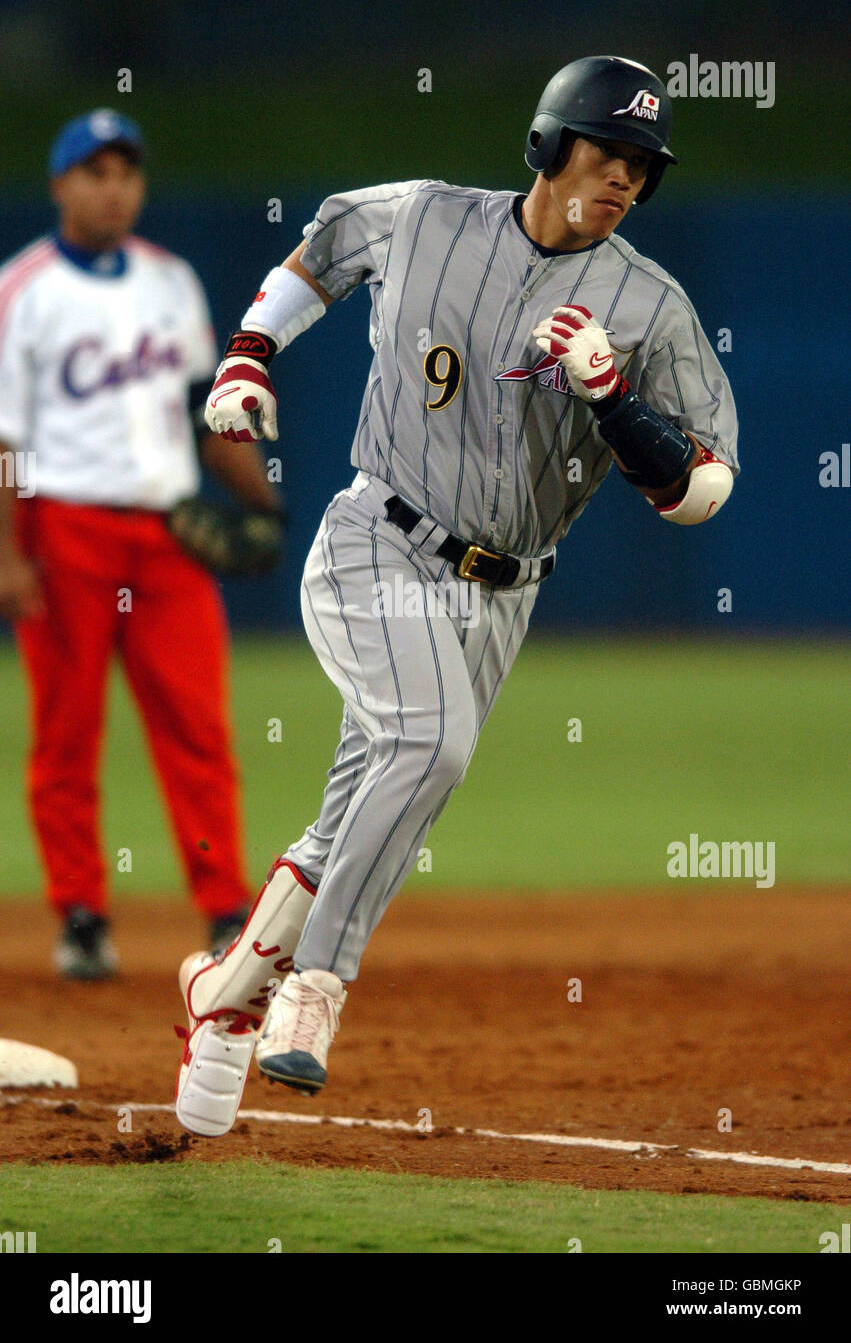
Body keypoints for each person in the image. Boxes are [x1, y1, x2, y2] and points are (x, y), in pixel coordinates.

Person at [173, 56, 739, 1138]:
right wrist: (246, 355)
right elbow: (323, 249)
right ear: (545, 145)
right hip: (374, 540)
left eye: (640, 166)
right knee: (427, 747)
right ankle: (313, 991)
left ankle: (221, 1000)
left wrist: (615, 401)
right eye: (605, 151)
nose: (623, 178)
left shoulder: (648, 306)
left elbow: (700, 489)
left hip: (501, 595)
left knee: (352, 815)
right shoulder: (427, 217)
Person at [0, 109, 284, 979]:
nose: (114, 187)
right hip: (65, 532)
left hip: (169, 538)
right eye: (96, 172)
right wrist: (9, 556)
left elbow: (212, 418)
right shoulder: (24, 287)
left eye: (127, 171)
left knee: (197, 727)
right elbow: (7, 442)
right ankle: (82, 915)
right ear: (61, 186)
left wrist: (266, 503)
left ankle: (224, 912)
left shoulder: (172, 281)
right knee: (67, 731)